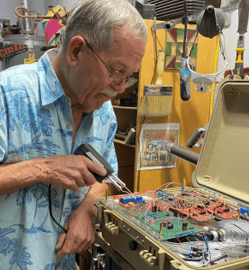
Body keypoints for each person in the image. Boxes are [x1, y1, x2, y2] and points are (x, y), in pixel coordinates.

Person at [0, 0, 147, 269]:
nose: (121, 87)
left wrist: (87, 210)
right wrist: (42, 168)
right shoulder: (7, 94)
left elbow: (105, 175)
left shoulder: (104, 113)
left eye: (129, 76)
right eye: (116, 71)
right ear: (76, 51)